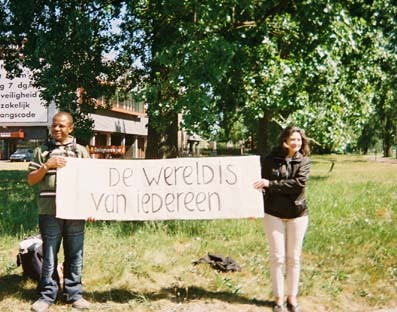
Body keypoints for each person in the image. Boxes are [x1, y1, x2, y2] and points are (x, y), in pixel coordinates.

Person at [28, 112, 91, 312]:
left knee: (75, 254)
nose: (57, 129)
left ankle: (74, 294)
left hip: (75, 211)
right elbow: (31, 179)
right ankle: (47, 295)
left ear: (71, 128)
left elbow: (91, 181)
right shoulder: (42, 151)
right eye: (54, 126)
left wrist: (90, 207)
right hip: (49, 211)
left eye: (62, 126)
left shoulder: (81, 151)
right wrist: (47, 166)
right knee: (49, 255)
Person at [254, 125, 311, 312]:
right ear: (284, 140)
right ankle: (279, 299)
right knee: (277, 258)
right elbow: (258, 183)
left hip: (297, 215)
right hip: (273, 214)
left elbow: (298, 184)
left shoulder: (304, 161)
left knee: (293, 258)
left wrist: (271, 184)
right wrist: (251, 206)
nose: (296, 142)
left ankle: (292, 298)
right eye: (293, 139)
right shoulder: (270, 160)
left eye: (299, 140)